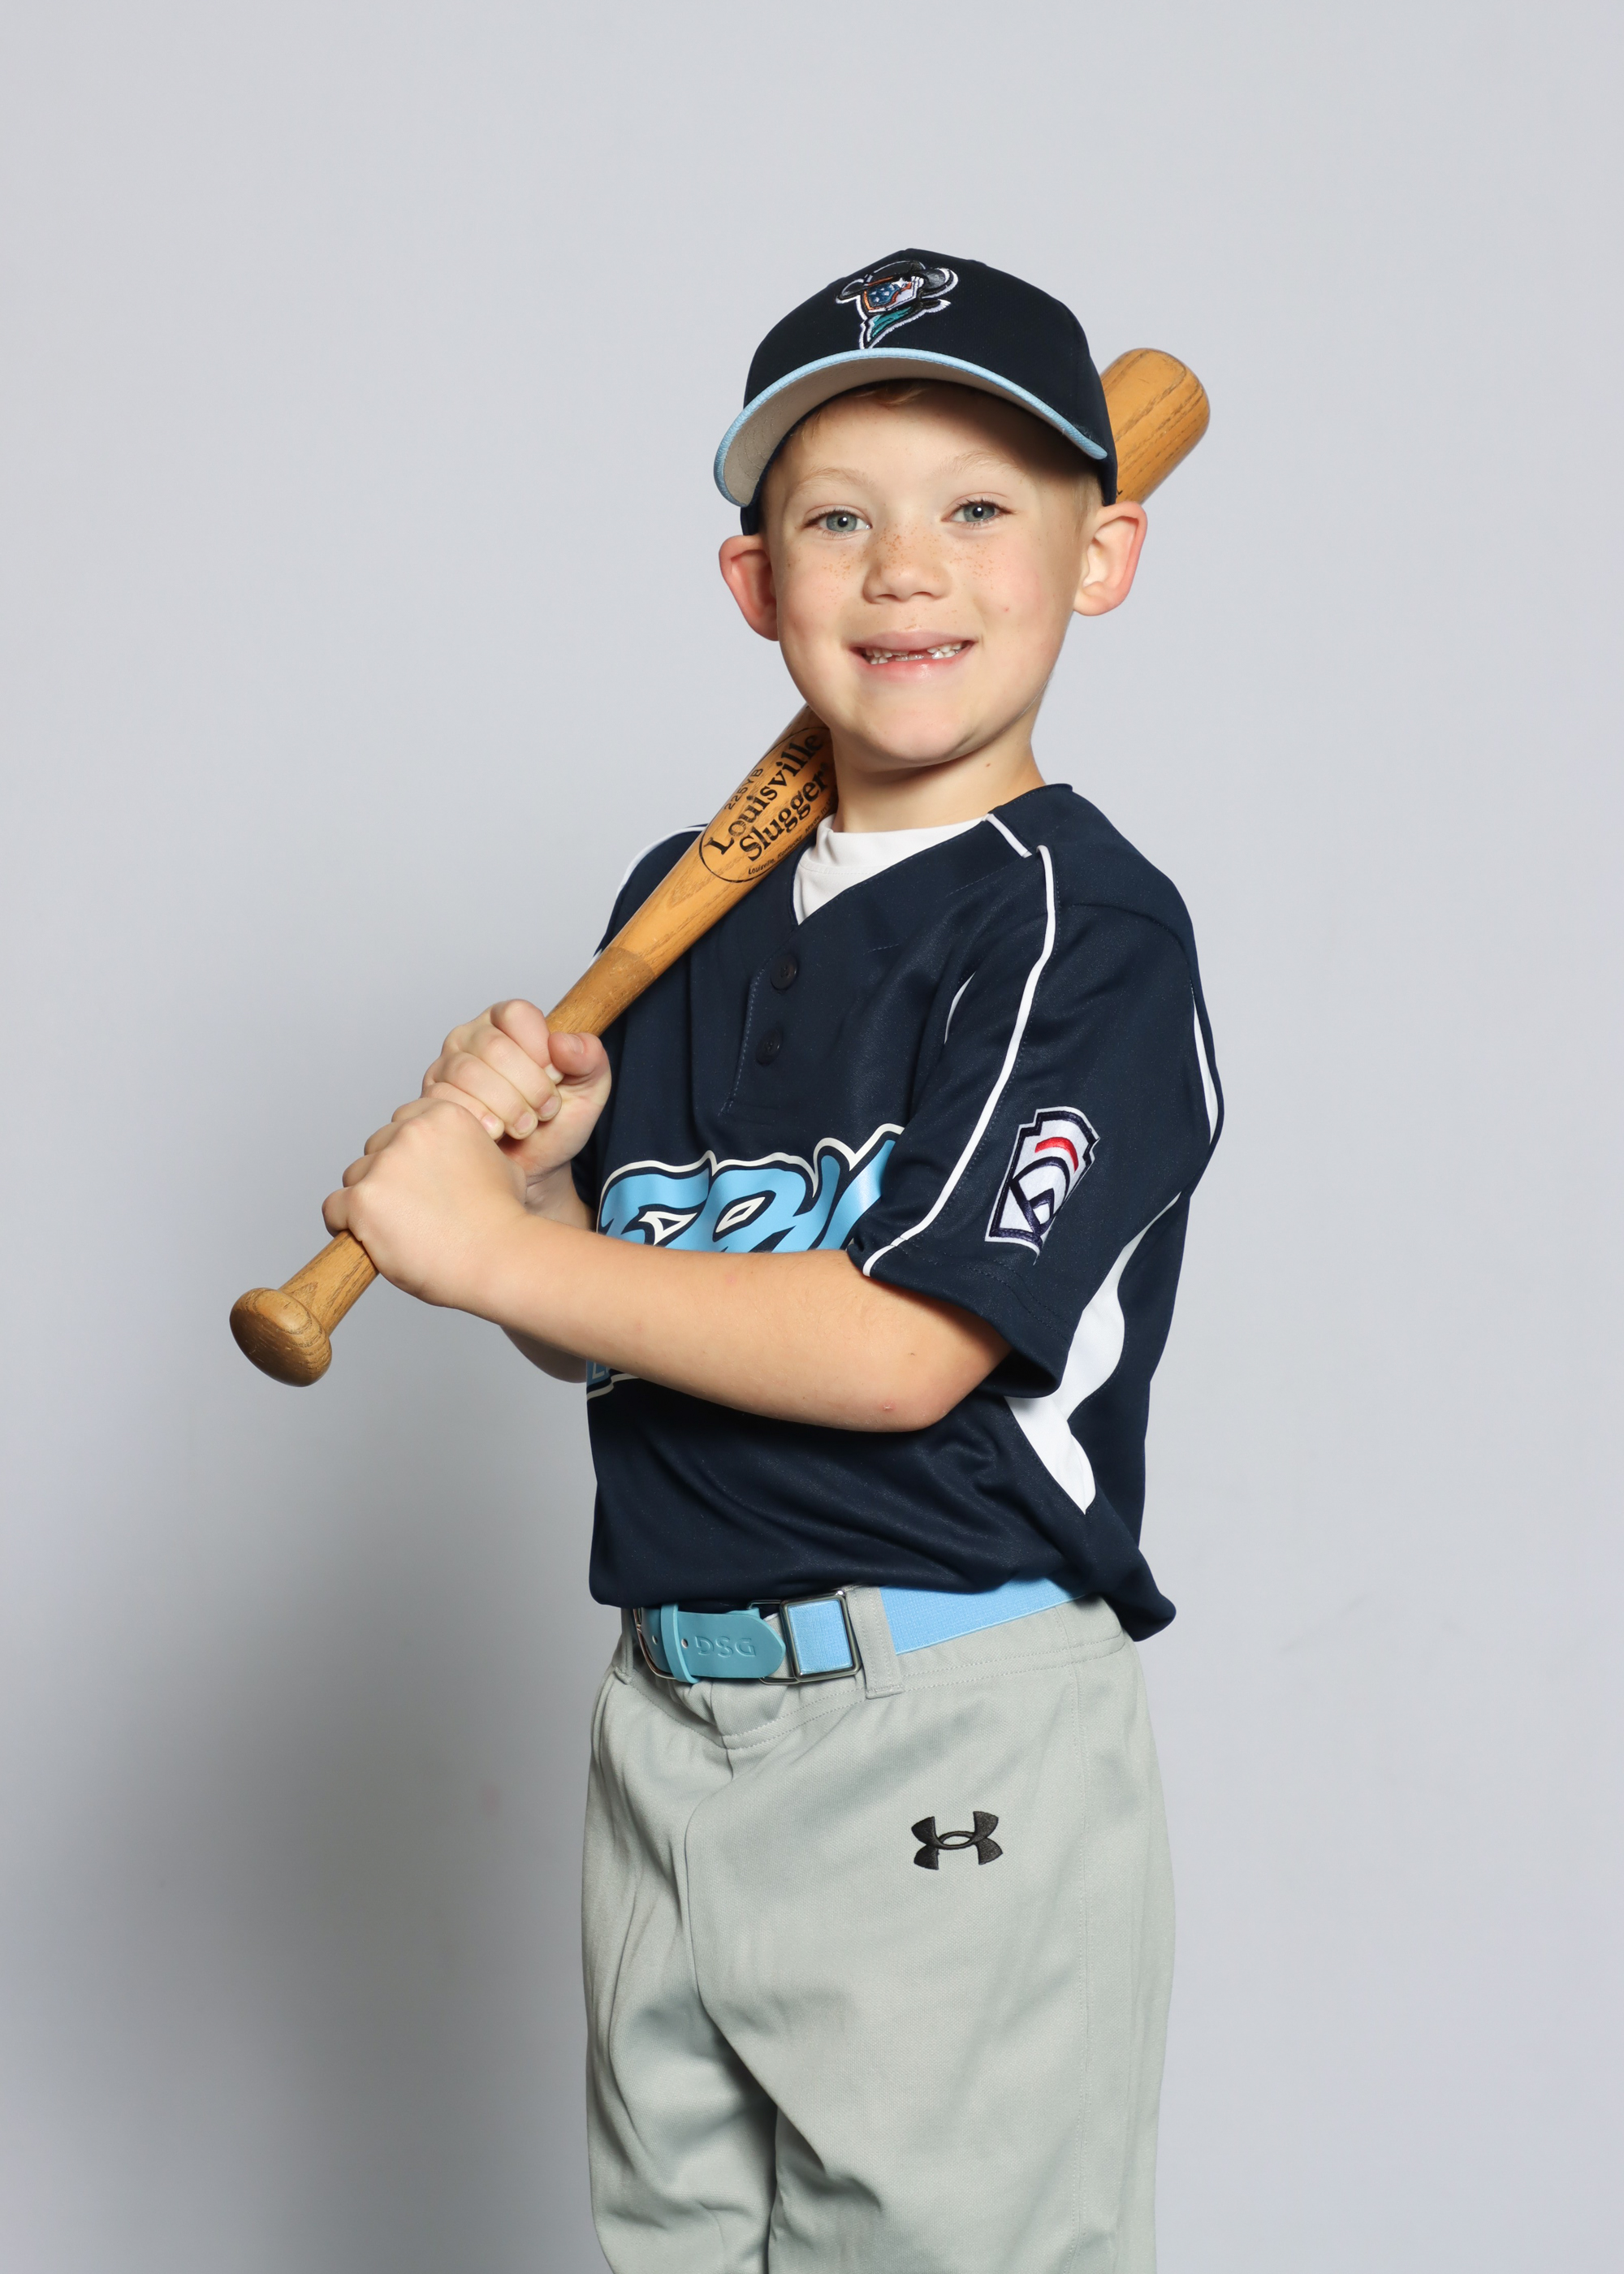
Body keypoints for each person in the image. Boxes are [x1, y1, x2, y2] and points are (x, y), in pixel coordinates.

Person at [326, 249, 1222, 2273]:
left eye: (979, 506)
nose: (906, 568)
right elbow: (635, 1327)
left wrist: (483, 1260)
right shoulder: (685, 898)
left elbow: (903, 1348)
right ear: (754, 582)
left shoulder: (1081, 930)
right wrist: (545, 1209)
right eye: (837, 518)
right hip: (665, 1714)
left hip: (942, 1714)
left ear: (1100, 557)